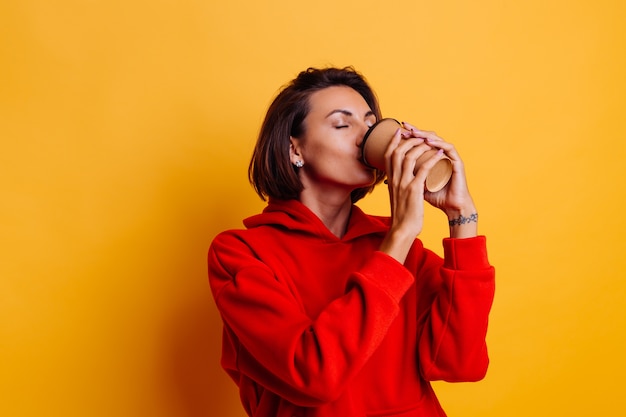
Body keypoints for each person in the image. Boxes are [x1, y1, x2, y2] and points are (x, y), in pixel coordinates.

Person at [207, 66, 495, 417]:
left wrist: (461, 217)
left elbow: (459, 364)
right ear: (293, 149)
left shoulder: (399, 248)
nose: (364, 137)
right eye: (343, 124)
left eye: (370, 123)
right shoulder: (240, 254)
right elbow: (314, 375)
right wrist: (400, 234)